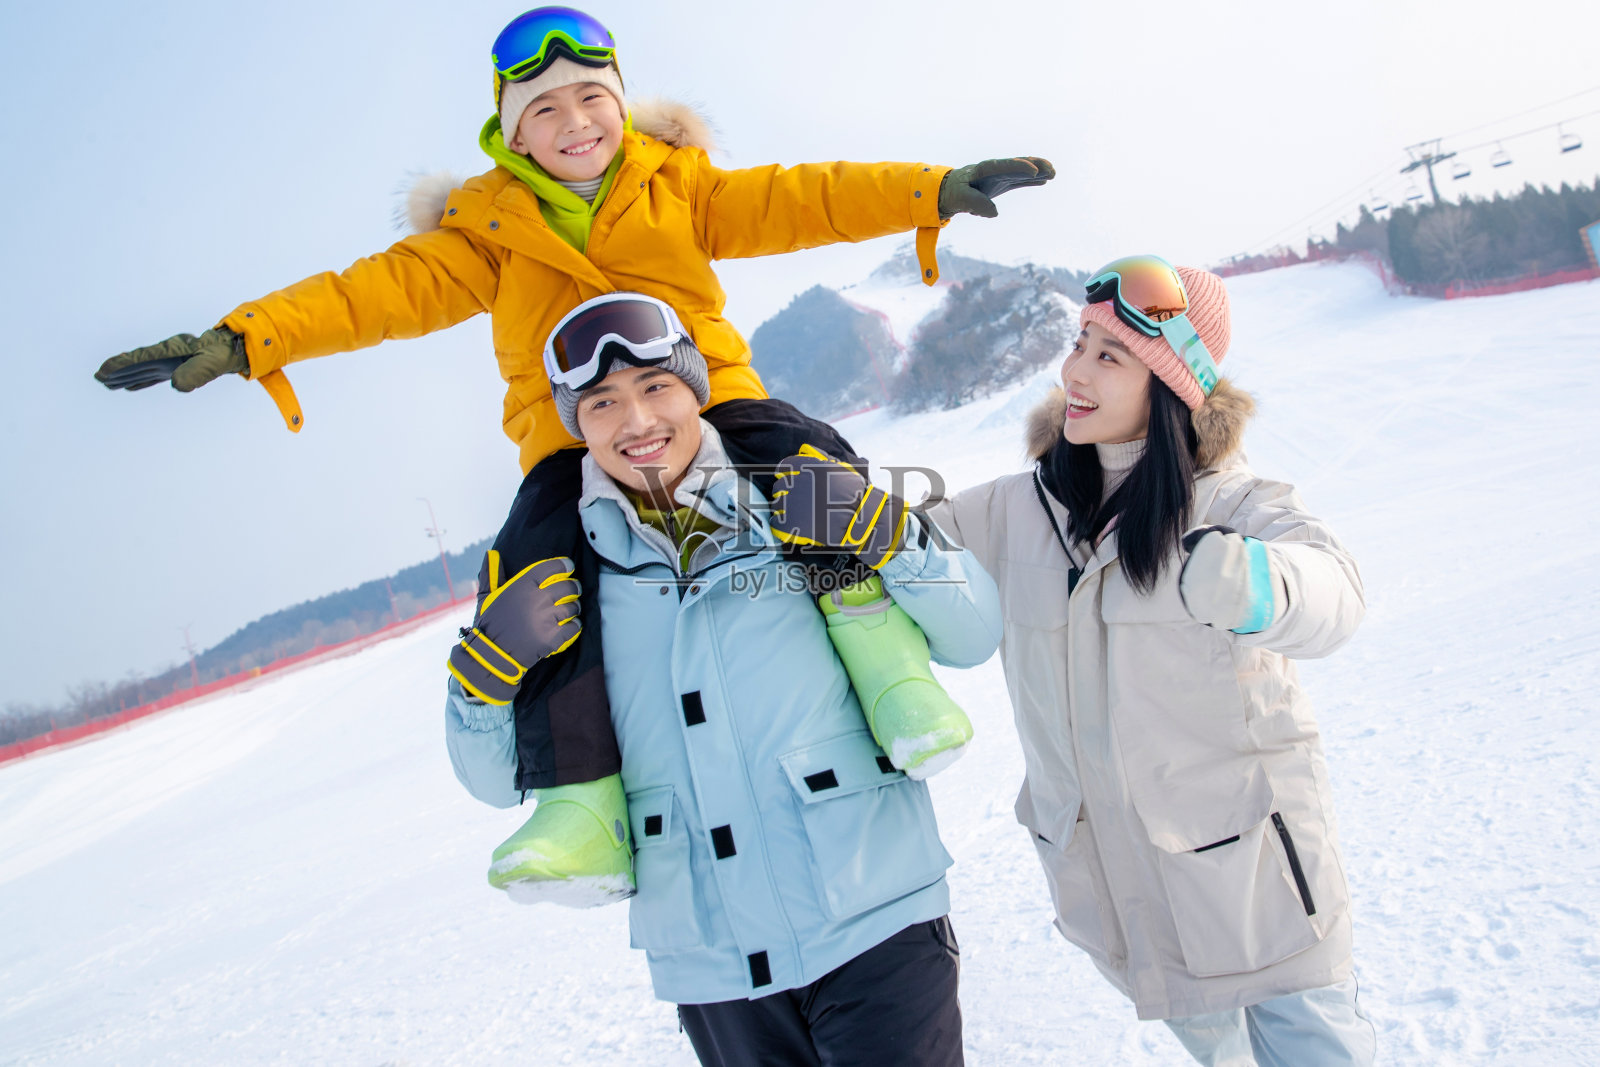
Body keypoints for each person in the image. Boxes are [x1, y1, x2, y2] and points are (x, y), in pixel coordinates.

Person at [91, 6, 1053, 902]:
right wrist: (249, 336)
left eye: (593, 98)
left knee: (812, 477)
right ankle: (582, 801)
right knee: (537, 572)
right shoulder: (484, 231)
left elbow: (805, 198)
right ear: (511, 134)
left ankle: (895, 680)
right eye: (544, 108)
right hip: (561, 442)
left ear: (622, 106)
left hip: (715, 398)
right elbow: (365, 295)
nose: (575, 121)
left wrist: (931, 188)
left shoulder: (677, 185)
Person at [445, 304, 1002, 1065]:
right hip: (713, 967)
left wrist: (883, 529)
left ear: (695, 387)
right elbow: (491, 781)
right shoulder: (560, 559)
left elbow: (973, 633)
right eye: (602, 402)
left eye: (655, 386)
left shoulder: (793, 493)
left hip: (876, 919)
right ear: (578, 423)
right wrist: (484, 668)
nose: (636, 420)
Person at [929, 257, 1376, 1065]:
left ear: (1171, 382)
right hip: (1122, 895)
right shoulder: (1018, 510)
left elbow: (1335, 592)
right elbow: (893, 535)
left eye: (1111, 355)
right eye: (1080, 342)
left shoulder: (1229, 503)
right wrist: (781, 481)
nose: (1076, 371)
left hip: (1254, 889)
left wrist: (1256, 583)